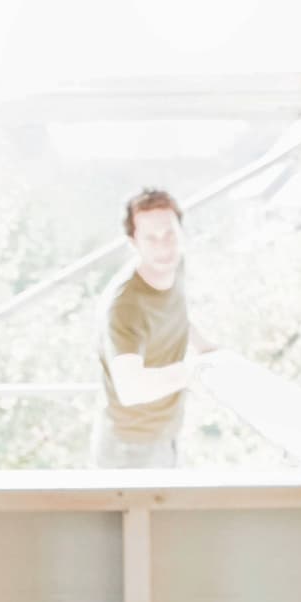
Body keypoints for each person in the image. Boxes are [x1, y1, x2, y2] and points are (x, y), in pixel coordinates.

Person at [92, 188, 214, 468]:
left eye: (170, 234)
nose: (163, 246)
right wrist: (195, 371)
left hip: (166, 433)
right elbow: (130, 388)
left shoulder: (174, 265)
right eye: (151, 238)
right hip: (128, 448)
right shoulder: (125, 306)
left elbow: (175, 314)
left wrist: (209, 349)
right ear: (133, 242)